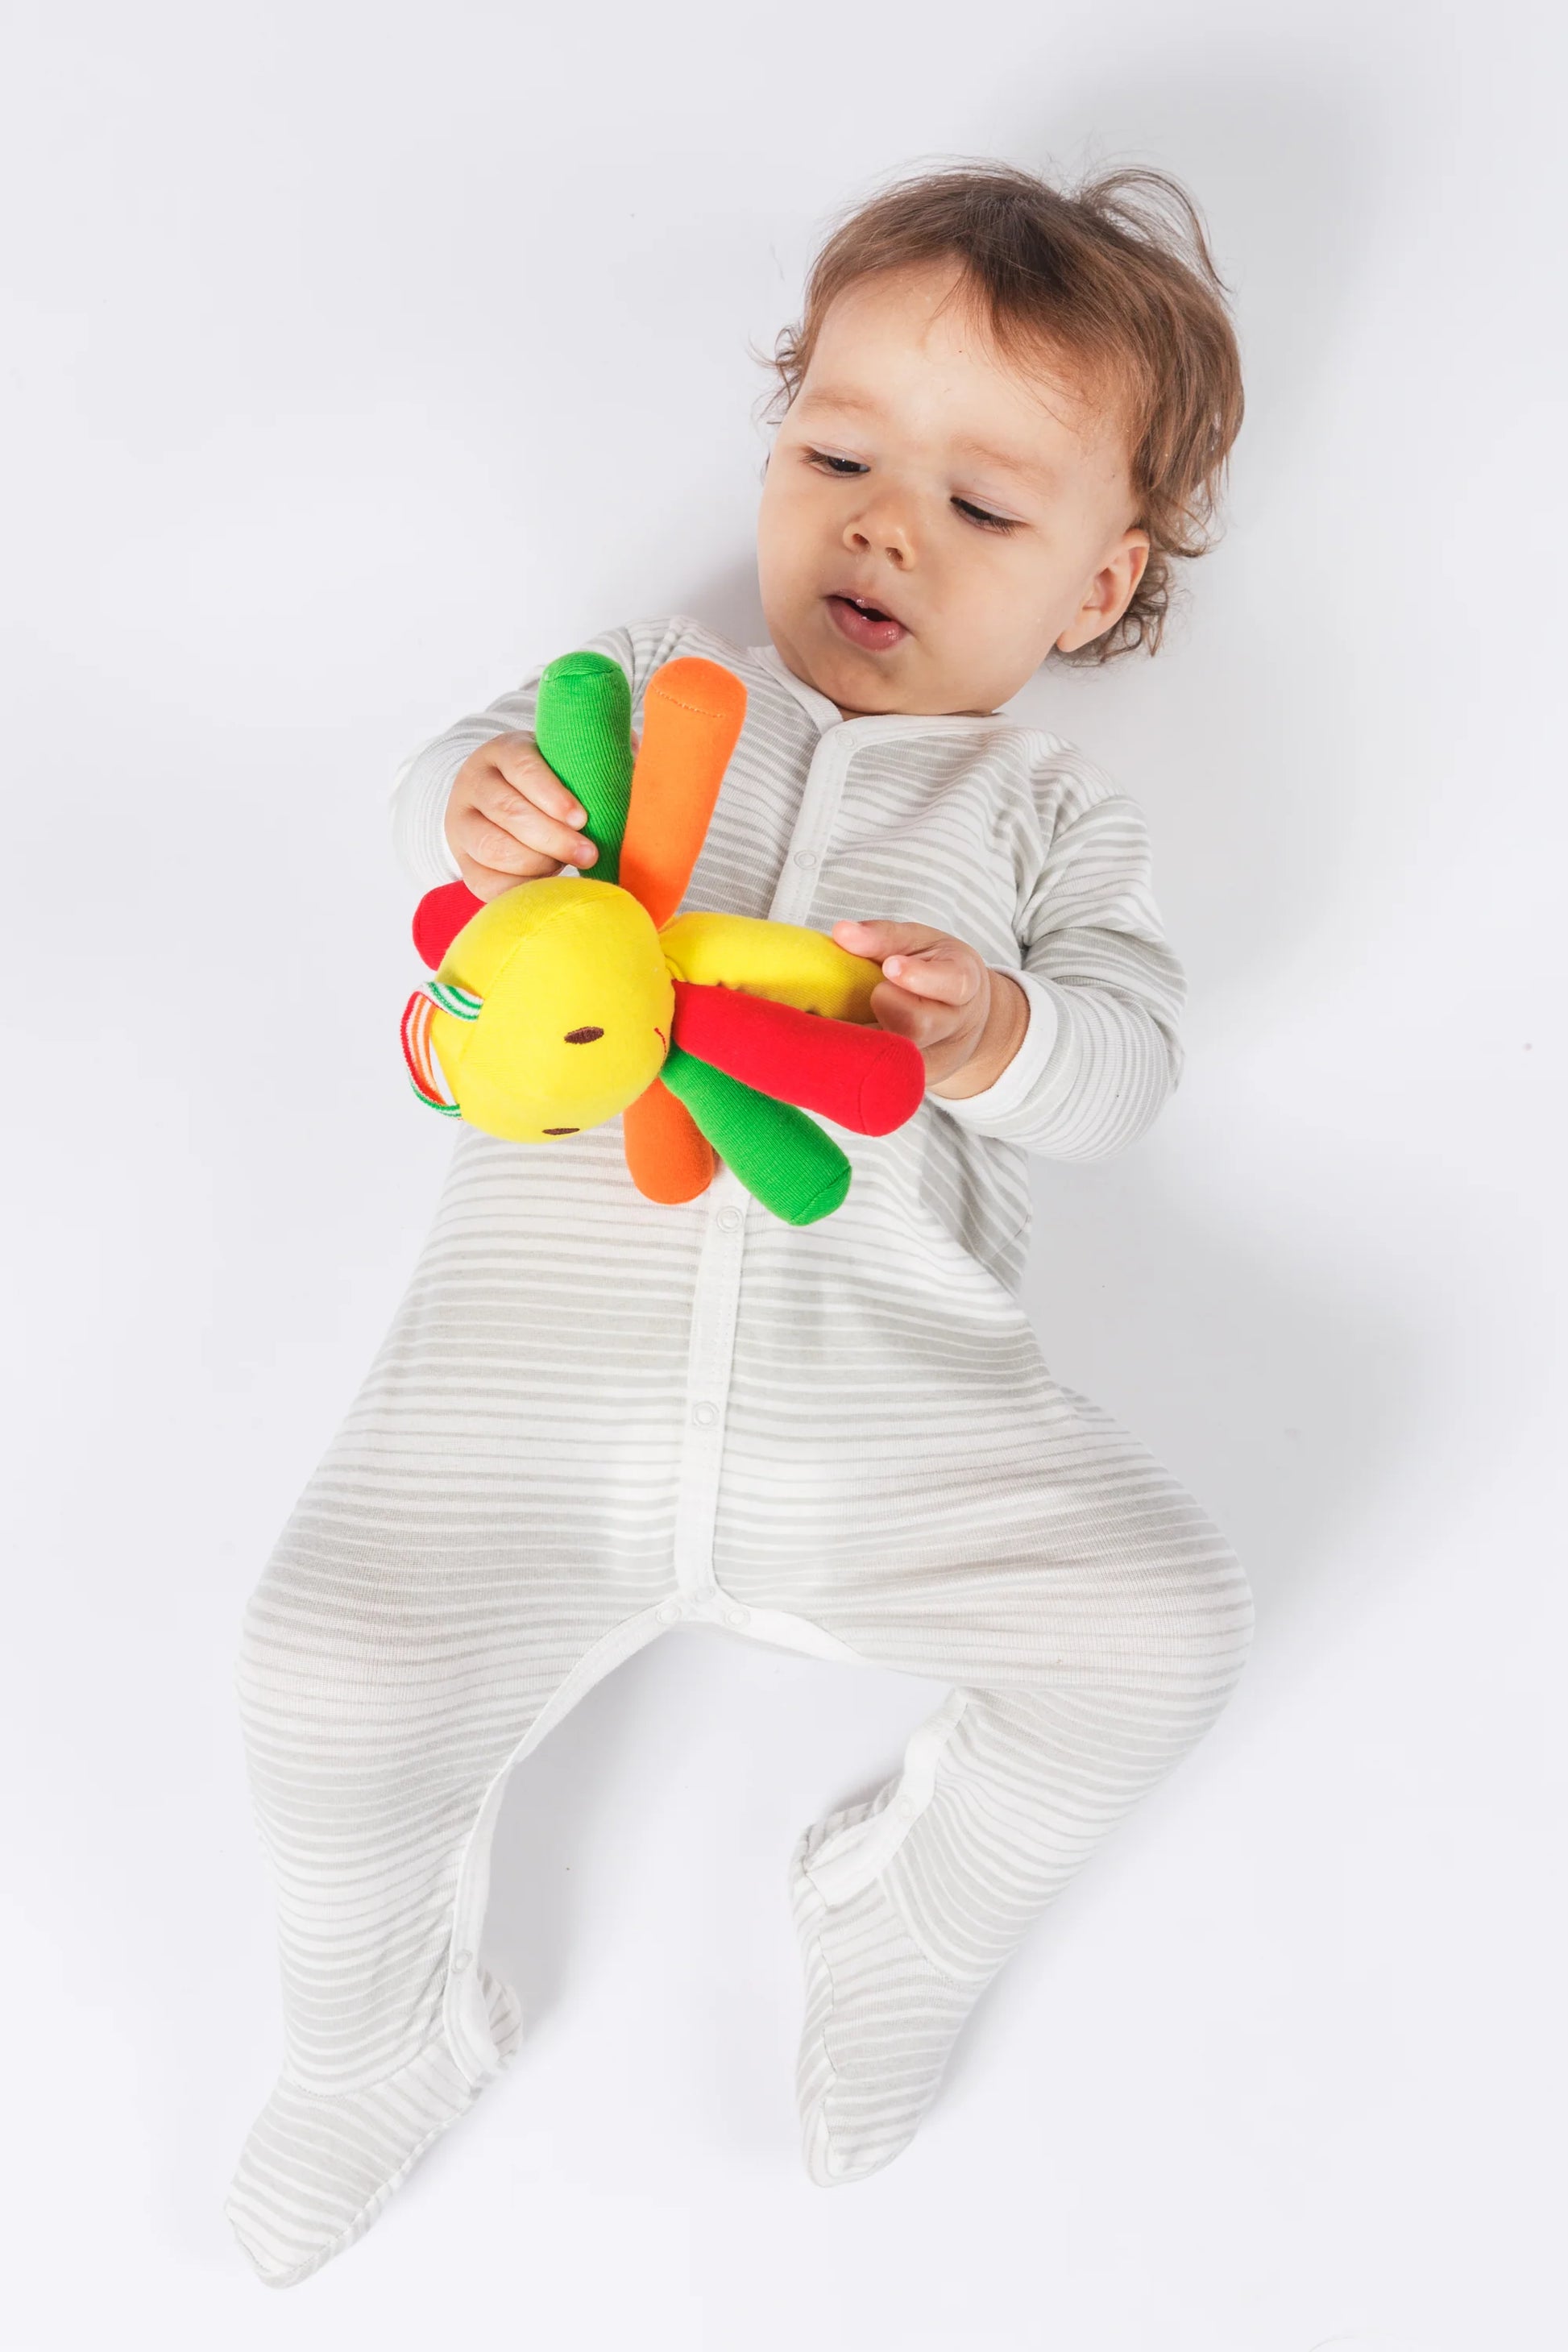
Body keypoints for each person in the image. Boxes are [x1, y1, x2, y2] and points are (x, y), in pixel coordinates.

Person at [227, 160, 1255, 2288]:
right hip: (515, 1404)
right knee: (317, 1672)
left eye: (982, 507)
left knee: (1163, 1625)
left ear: (1095, 589)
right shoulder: (646, 680)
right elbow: (449, 786)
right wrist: (472, 809)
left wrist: (997, 1035)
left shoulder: (1044, 813)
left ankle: (911, 1916)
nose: (884, 529)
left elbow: (1128, 1071)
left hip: (881, 1418)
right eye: (838, 455)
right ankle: (372, 2033)